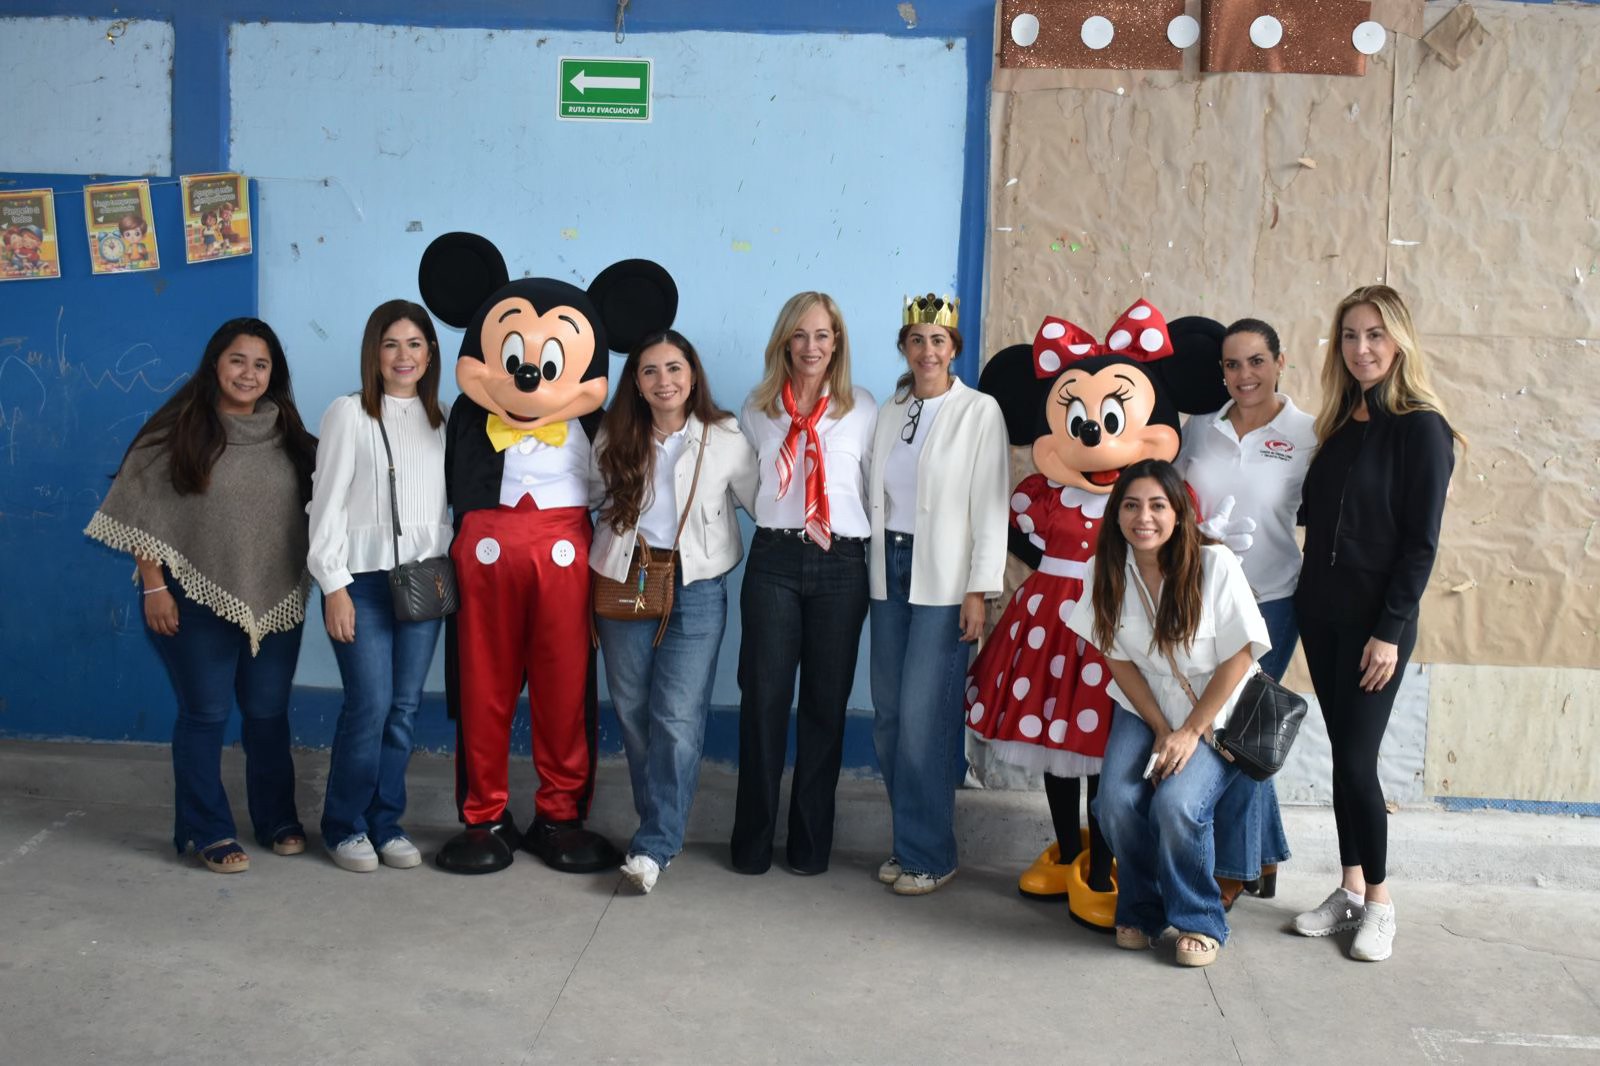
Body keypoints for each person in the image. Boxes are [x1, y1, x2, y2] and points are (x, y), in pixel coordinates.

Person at [85, 318, 318, 873]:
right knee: (206, 714)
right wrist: (154, 586)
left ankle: (276, 818)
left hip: (276, 599)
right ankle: (206, 829)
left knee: (267, 714)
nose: (248, 374)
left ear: (274, 374)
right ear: (216, 363)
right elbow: (140, 511)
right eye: (238, 360)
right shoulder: (180, 431)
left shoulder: (291, 437)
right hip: (189, 600)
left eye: (261, 364)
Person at [1291, 285, 1459, 962]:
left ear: (1399, 341)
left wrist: (1389, 630)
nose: (1361, 349)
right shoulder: (1337, 424)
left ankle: (1382, 904)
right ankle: (1350, 889)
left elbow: (1421, 545)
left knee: (1359, 762)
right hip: (1320, 613)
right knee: (1343, 756)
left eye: (1375, 335)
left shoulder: (1422, 427)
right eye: (1350, 336)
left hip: (1376, 624)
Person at [1067, 459, 1270, 967]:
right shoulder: (1104, 570)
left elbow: (1240, 655)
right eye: (1132, 505)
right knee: (1114, 802)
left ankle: (1200, 919)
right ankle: (1143, 908)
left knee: (1176, 805)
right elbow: (1115, 657)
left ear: (1179, 512)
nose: (1144, 517)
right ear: (1117, 514)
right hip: (1146, 706)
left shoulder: (1215, 565)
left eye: (1158, 505)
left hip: (1216, 709)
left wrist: (1189, 732)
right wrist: (1160, 728)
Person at [591, 329, 757, 894]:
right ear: (636, 383)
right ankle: (656, 826)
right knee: (635, 712)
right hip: (625, 580)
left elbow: (761, 500)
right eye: (650, 371)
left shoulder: (724, 435)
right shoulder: (614, 433)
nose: (664, 381)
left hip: (696, 586)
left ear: (693, 375)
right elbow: (586, 496)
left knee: (677, 718)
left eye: (674, 368)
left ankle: (656, 843)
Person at [866, 294, 1009, 895]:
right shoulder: (890, 409)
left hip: (945, 580)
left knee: (924, 719)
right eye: (917, 340)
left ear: (954, 349)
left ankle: (930, 853)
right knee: (890, 717)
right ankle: (908, 841)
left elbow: (992, 504)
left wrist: (979, 589)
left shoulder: (979, 411)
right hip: (889, 569)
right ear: (904, 346)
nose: (928, 351)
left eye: (939, 340)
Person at [730, 292, 875, 876]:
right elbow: (745, 481)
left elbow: (872, 486)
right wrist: (773, 516)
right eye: (800, 335)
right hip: (775, 560)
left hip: (841, 564)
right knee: (762, 700)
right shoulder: (758, 407)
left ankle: (810, 846)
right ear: (784, 342)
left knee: (825, 705)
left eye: (822, 335)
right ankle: (751, 845)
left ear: (836, 343)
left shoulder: (863, 407)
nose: (811, 346)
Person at [1175, 317, 1316, 908]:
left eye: (1257, 361)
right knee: (1238, 730)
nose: (1244, 375)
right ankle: (1266, 853)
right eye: (1232, 365)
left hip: (1270, 601)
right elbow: (1171, 504)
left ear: (1280, 362)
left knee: (1238, 730)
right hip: (1202, 601)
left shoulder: (1309, 433)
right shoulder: (1198, 429)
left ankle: (1232, 868)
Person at [306, 300, 452, 872]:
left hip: (424, 581)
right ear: (374, 353)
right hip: (361, 583)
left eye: (414, 344)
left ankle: (385, 822)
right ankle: (344, 825)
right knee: (369, 704)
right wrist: (333, 585)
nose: (403, 356)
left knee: (404, 708)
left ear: (430, 353)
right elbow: (324, 504)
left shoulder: (443, 418)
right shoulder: (349, 413)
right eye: (391, 344)